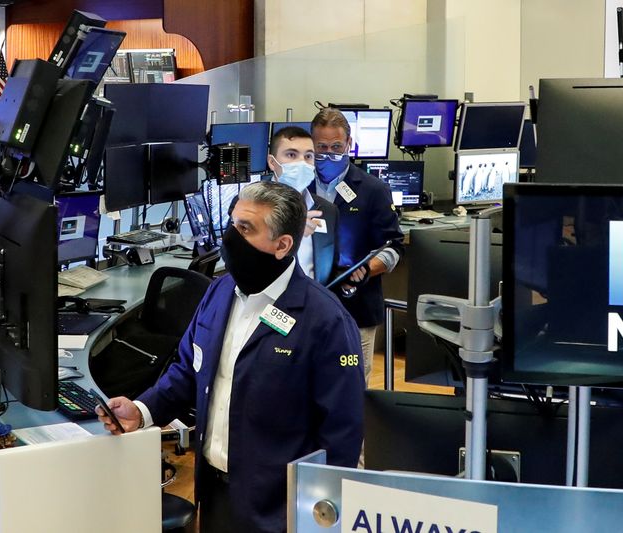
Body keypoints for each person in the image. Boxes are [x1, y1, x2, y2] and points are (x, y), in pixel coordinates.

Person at [97, 181, 365, 533]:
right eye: (233, 222)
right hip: (215, 493)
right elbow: (187, 371)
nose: (230, 236)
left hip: (279, 509)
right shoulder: (219, 293)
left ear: (283, 245)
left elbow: (341, 434)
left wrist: (314, 516)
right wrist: (143, 411)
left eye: (246, 228)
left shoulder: (326, 321)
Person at [310, 108, 405, 383]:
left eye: (336, 147)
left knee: (351, 390)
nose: (329, 154)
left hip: (356, 309)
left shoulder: (373, 190)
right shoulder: (298, 187)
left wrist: (365, 269)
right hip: (306, 306)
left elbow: (394, 247)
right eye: (322, 147)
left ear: (349, 144)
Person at [267, 125, 339, 285]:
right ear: (272, 162)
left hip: (314, 304)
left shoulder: (326, 210)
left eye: (308, 156)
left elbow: (331, 267)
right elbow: (240, 261)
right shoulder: (251, 205)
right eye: (291, 155)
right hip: (269, 305)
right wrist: (291, 228)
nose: (301, 163)